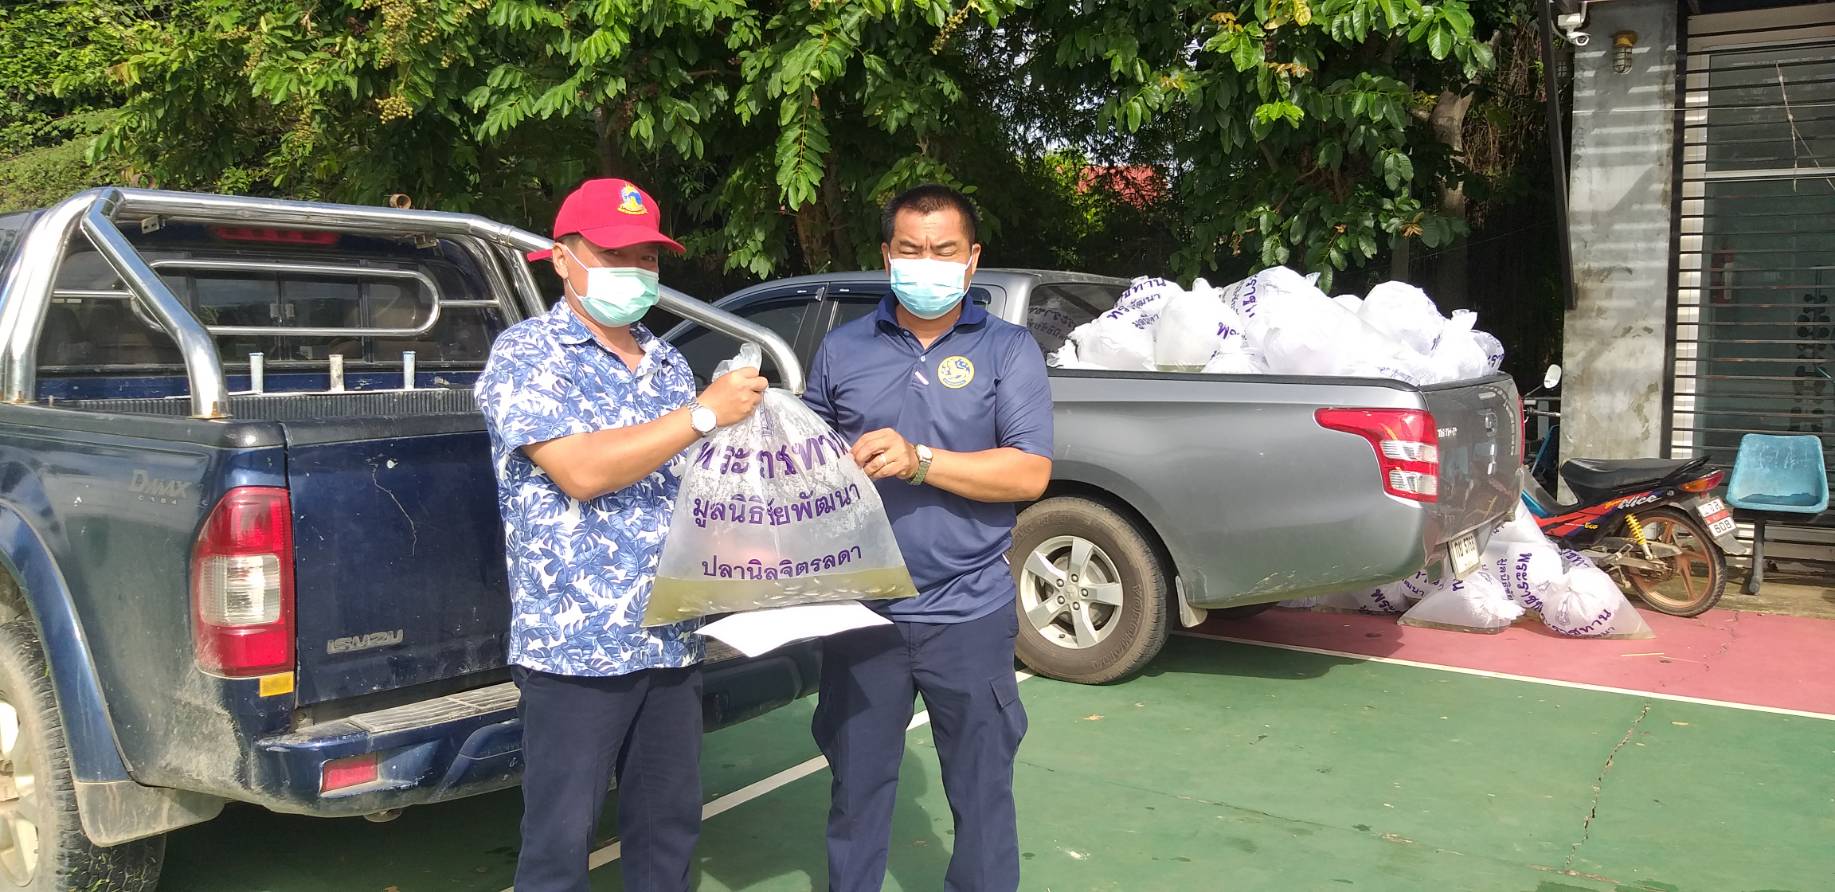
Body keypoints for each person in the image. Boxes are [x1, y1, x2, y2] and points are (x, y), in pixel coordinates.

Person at [474, 178, 767, 892]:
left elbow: (693, 482)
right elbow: (580, 471)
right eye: (614, 254)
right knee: (559, 838)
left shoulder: (667, 362)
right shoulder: (528, 354)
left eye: (647, 257)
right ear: (562, 258)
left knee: (668, 828)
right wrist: (701, 416)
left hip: (669, 638)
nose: (635, 271)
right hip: (576, 649)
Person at [802, 184, 1054, 892]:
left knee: (981, 795)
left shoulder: (1007, 349)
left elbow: (1029, 472)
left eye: (944, 251)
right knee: (855, 791)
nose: (927, 263)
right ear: (887, 256)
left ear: (971, 260)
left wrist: (921, 461)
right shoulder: (843, 349)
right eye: (911, 250)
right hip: (863, 615)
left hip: (967, 612)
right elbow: (806, 466)